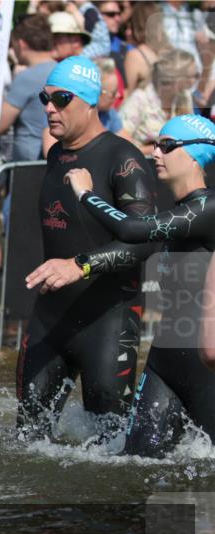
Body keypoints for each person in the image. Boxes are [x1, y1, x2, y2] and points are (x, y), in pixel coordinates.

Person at [19, 57, 157, 442]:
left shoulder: (123, 159)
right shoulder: (55, 155)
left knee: (109, 450)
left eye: (61, 99)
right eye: (45, 98)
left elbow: (147, 240)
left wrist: (79, 265)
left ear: (90, 102)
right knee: (26, 442)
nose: (50, 108)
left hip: (107, 322)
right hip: (51, 319)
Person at [59, 115, 214, 456]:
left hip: (206, 367)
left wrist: (85, 194)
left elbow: (131, 229)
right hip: (164, 362)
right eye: (156, 145)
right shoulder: (183, 212)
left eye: (167, 146)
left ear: (196, 155)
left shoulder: (210, 209)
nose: (156, 153)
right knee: (136, 464)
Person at [0, 14, 56, 163]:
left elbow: (0, 125)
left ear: (21, 44)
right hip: (50, 159)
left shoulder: (27, 77)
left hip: (29, 165)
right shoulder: (60, 70)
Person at [120, 49, 197, 154]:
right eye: (192, 76)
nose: (195, 80)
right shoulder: (140, 99)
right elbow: (119, 143)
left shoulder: (184, 96)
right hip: (142, 160)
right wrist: (155, 149)